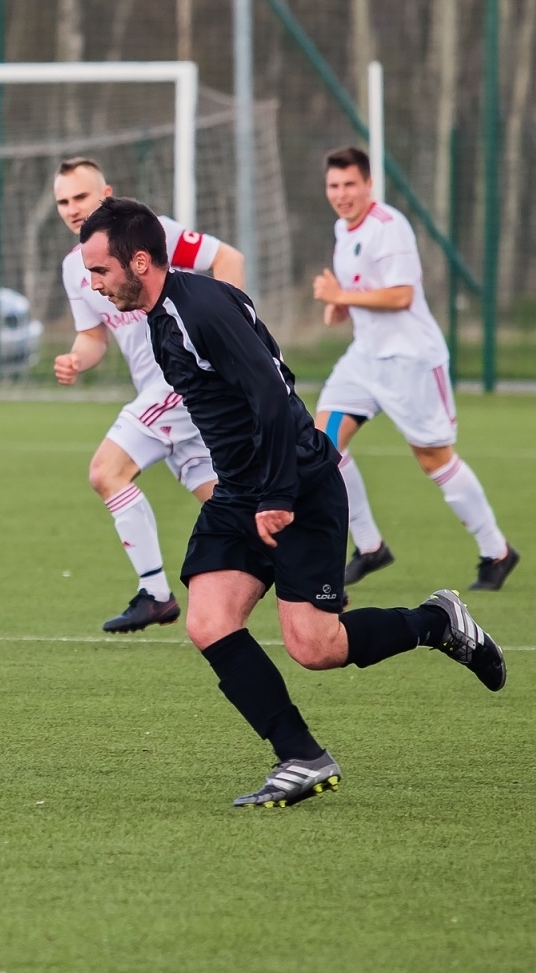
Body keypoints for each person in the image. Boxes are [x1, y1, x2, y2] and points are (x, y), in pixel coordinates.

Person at [79, 196, 506, 808]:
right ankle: (300, 756)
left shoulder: (198, 309)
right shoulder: (163, 314)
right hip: (240, 491)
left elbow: (274, 399)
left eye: (101, 270)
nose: (94, 283)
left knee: (316, 647)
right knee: (208, 622)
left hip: (296, 484)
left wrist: (278, 492)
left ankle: (437, 623)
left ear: (139, 262)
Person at [51, 157, 243, 633]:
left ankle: (155, 593)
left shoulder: (152, 232)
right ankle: (308, 571)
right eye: (63, 201)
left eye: (81, 196)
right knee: (228, 503)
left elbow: (228, 259)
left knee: (106, 470)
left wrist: (226, 334)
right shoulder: (75, 267)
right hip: (163, 393)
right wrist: (75, 359)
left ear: (106, 194)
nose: (72, 208)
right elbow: (93, 337)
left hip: (180, 381)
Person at [312, 146, 518, 590]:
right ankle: (369, 546)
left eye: (350, 184)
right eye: (334, 185)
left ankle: (496, 551)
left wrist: (340, 297)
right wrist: (340, 305)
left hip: (411, 361)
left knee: (433, 458)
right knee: (322, 445)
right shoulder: (342, 229)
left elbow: (401, 295)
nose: (341, 194)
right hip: (365, 358)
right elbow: (360, 290)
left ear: (369, 184)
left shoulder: (390, 228)